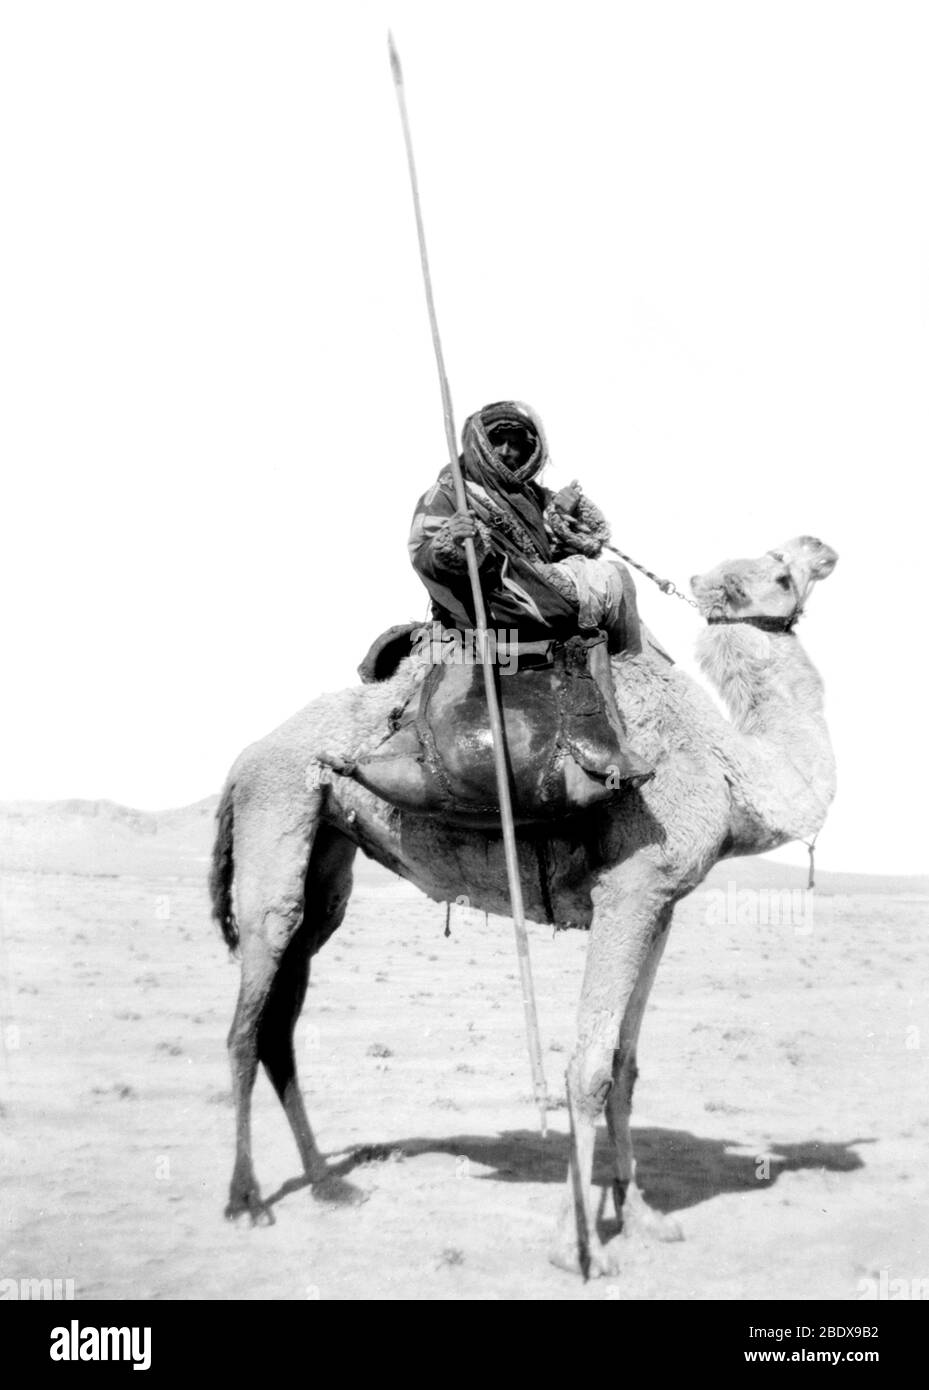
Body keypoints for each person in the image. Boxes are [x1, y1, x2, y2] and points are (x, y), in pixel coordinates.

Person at [408, 400, 642, 653]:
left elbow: (558, 552)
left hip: (537, 588)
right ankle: (627, 660)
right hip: (492, 602)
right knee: (610, 578)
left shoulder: (533, 496)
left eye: (515, 443)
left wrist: (564, 515)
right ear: (480, 444)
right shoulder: (449, 494)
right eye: (497, 441)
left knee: (615, 578)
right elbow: (422, 552)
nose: (505, 451)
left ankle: (629, 666)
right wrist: (450, 542)